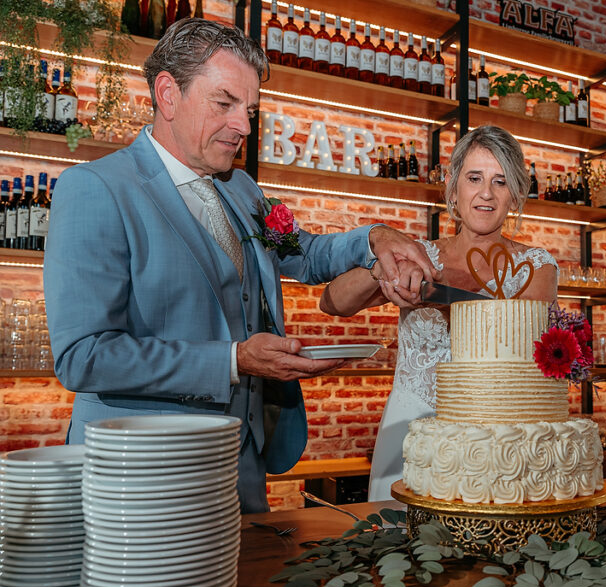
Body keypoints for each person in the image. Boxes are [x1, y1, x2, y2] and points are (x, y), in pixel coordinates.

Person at [42, 18, 434, 514]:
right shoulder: (96, 189)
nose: (243, 126)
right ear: (168, 93)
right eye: (224, 103)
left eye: (248, 110)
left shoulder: (241, 187)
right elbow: (84, 355)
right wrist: (234, 362)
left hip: (243, 464)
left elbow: (304, 254)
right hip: (144, 476)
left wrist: (374, 237)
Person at [321, 125, 558, 501]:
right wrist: (380, 270)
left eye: (500, 182)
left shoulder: (536, 266)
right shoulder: (418, 254)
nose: (485, 193)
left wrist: (435, 294)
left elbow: (511, 333)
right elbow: (332, 302)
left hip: (496, 437)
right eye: (474, 178)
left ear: (515, 195)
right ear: (452, 188)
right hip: (410, 425)